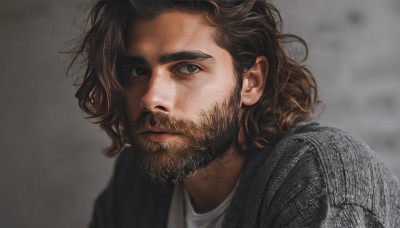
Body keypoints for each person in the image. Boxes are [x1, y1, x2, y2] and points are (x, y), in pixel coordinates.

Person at [69, 0, 400, 227]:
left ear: (251, 82)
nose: (151, 98)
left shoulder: (316, 178)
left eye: (187, 67)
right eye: (138, 70)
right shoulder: (136, 182)